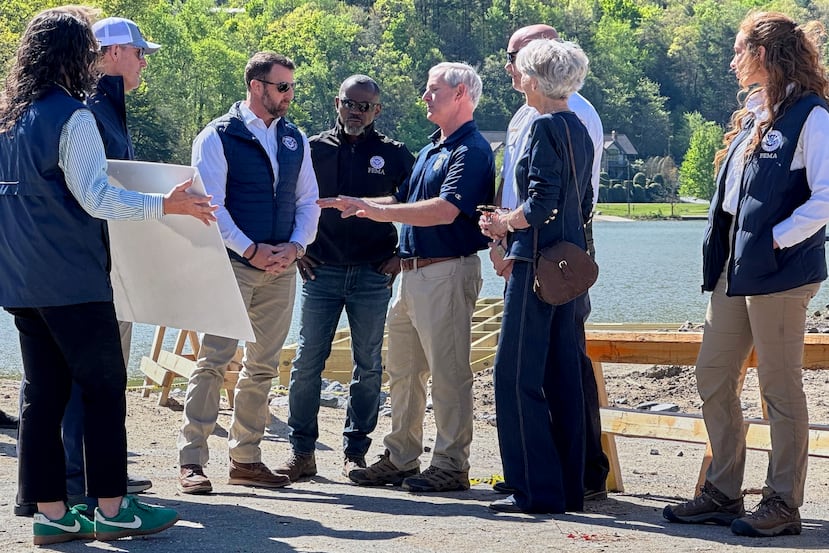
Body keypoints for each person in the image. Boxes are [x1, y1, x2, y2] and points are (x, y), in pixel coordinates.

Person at [0, 7, 216, 545]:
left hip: (20, 282)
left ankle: (52, 517)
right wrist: (167, 205)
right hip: (73, 281)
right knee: (103, 391)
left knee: (42, 396)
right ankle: (113, 509)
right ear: (77, 57)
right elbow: (97, 197)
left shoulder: (8, 119)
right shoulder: (72, 117)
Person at [663, 11, 829, 538]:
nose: (733, 60)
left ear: (767, 54)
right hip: (733, 271)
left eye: (740, 50)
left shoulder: (813, 116)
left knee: (779, 389)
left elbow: (826, 196)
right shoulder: (756, 112)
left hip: (781, 272)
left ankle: (782, 501)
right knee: (712, 374)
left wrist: (778, 238)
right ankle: (722, 491)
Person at [319, 62, 494, 492]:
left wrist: (376, 211)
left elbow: (445, 210)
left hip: (447, 271)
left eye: (433, 89)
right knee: (403, 370)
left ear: (460, 95)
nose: (424, 96)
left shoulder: (470, 150)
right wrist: (359, 203)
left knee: (449, 372)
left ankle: (452, 463)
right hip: (413, 276)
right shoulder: (435, 147)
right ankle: (402, 456)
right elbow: (403, 198)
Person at [176, 51, 320, 494]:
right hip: (232, 266)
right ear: (256, 86)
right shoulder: (218, 136)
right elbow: (210, 206)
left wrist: (296, 247)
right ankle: (192, 462)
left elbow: (308, 200)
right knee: (213, 362)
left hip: (282, 268)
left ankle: (246, 458)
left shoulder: (294, 137)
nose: (289, 94)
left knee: (263, 366)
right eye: (282, 87)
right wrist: (251, 249)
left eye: (292, 87)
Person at [36, 15, 160, 517]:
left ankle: (86, 480)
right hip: (87, 270)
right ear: (110, 53)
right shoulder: (86, 109)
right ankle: (87, 484)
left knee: (69, 383)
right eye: (138, 51)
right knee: (91, 382)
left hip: (85, 267)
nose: (144, 60)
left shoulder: (101, 106)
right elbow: (94, 194)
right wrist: (162, 207)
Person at [491, 24, 609, 502]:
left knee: (515, 374)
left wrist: (503, 221)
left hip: (535, 261)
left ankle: (533, 488)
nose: (516, 78)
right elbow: (579, 205)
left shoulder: (540, 126)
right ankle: (568, 484)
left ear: (534, 80)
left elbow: (540, 204)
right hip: (570, 263)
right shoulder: (578, 126)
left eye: (520, 71)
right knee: (562, 370)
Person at [276, 75, 414, 481]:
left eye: (365, 106)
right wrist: (296, 247)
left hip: (373, 273)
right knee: (305, 364)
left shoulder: (394, 154)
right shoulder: (311, 148)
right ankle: (302, 451)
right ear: (337, 103)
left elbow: (415, 202)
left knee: (368, 365)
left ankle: (356, 450)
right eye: (350, 104)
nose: (356, 112)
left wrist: (402, 255)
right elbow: (289, 200)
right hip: (321, 270)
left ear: (377, 110)